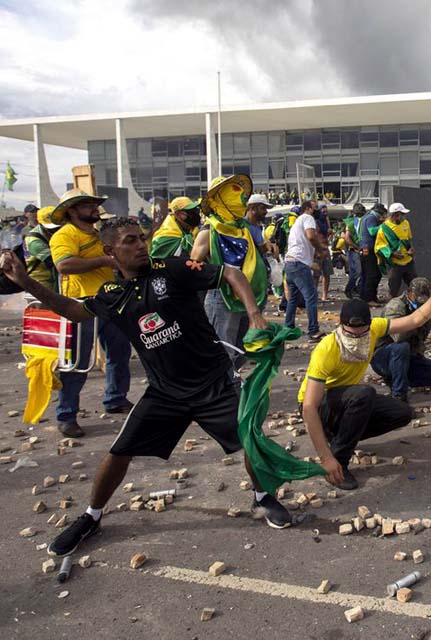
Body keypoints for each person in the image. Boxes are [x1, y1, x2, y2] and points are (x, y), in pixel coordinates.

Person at [1, 219, 295, 558]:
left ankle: (262, 497)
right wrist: (25, 281)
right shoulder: (112, 294)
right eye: (130, 240)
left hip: (213, 383)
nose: (141, 245)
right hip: (165, 393)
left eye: (141, 238)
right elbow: (72, 310)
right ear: (111, 251)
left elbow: (230, 272)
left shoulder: (172, 269)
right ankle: (92, 516)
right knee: (118, 452)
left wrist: (255, 314)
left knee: (250, 441)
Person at [298, 276, 431, 490]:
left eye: (362, 333)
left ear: (370, 326)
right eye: (351, 334)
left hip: (347, 400)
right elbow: (308, 406)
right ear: (341, 325)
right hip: (321, 407)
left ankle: (340, 437)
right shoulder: (326, 349)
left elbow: (416, 319)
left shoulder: (376, 328)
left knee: (402, 412)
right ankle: (338, 462)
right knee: (363, 394)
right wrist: (325, 458)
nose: (357, 339)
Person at [48, 189, 133, 437]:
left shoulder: (96, 234)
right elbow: (64, 265)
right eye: (88, 205)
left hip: (108, 300)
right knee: (77, 362)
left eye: (94, 204)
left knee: (119, 351)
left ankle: (116, 398)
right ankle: (66, 415)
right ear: (72, 211)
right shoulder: (65, 235)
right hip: (80, 304)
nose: (95, 209)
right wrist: (105, 262)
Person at [192, 175, 269, 369]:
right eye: (234, 193)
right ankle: (224, 384)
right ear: (221, 199)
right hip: (222, 296)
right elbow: (193, 267)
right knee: (222, 351)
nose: (241, 199)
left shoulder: (242, 229)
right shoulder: (209, 231)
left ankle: (231, 378)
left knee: (242, 349)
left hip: (246, 296)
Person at [371, 277, 431, 403]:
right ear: (410, 294)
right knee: (401, 347)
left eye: (425, 301)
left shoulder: (423, 304)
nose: (422, 304)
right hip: (384, 356)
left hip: (408, 357)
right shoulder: (395, 306)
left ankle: (399, 378)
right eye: (419, 300)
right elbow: (398, 336)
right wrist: (418, 319)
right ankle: (398, 395)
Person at [282, 200, 323, 339]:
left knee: (293, 299)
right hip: (298, 264)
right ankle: (313, 331)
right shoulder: (307, 217)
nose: (317, 210)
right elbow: (311, 236)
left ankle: (288, 328)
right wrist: (320, 249)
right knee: (311, 297)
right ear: (308, 209)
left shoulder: (297, 223)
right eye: (315, 207)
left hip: (290, 263)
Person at [375, 202, 417, 298]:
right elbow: (380, 246)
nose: (405, 216)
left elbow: (408, 239)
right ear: (396, 215)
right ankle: (392, 305)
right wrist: (393, 254)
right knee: (393, 290)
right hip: (394, 265)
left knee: (415, 287)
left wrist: (411, 249)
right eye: (403, 214)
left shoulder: (406, 223)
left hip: (408, 262)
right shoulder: (384, 228)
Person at [23, 206, 61, 291]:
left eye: (58, 227)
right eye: (52, 228)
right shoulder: (34, 241)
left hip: (53, 279)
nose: (56, 230)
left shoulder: (50, 234)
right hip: (41, 283)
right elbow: (56, 262)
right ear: (40, 224)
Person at [359, 203, 387, 304]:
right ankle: (369, 298)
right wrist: (384, 225)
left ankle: (369, 297)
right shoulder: (371, 218)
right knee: (372, 274)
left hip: (366, 248)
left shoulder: (367, 217)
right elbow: (372, 231)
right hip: (369, 249)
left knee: (369, 274)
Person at [341, 203, 365, 299]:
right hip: (353, 250)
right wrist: (356, 247)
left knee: (358, 272)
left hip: (357, 249)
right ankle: (349, 289)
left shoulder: (361, 221)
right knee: (357, 272)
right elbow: (347, 238)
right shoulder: (351, 223)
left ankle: (355, 290)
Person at [314, 204, 333, 302]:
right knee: (316, 274)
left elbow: (328, 234)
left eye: (326, 212)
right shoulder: (316, 222)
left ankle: (324, 295)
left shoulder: (325, 221)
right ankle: (314, 295)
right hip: (318, 250)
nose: (325, 214)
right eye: (323, 212)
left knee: (327, 273)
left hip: (325, 248)